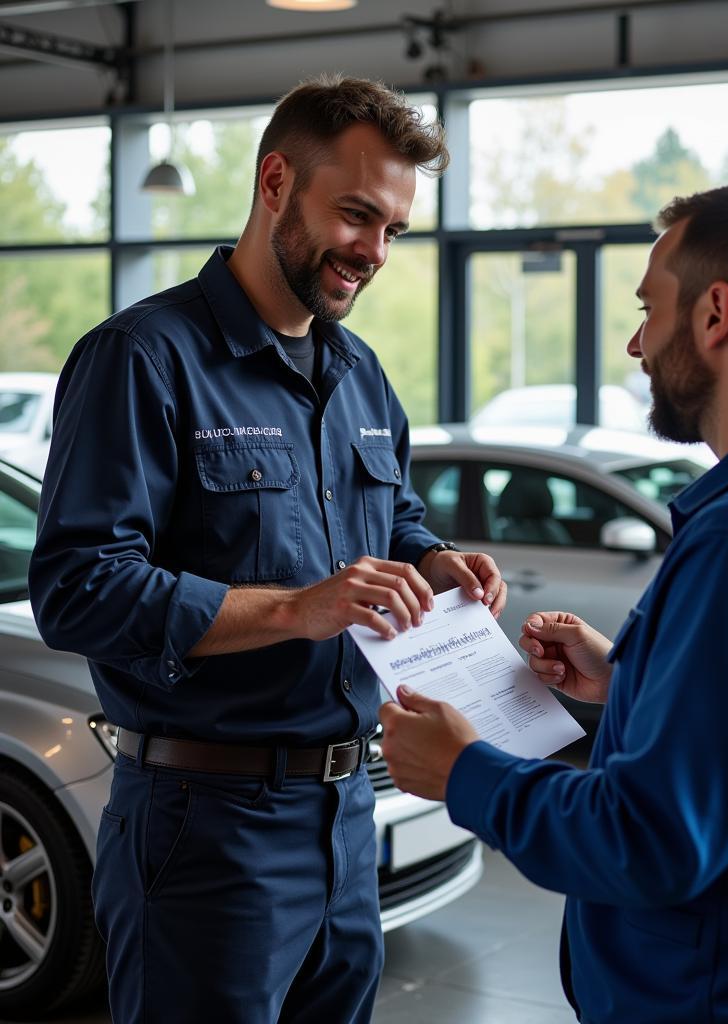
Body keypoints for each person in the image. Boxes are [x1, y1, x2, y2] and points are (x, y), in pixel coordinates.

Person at [379, 181, 728, 1024]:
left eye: (650, 308)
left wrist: (466, 772)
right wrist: (631, 678)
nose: (638, 344)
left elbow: (648, 842)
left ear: (716, 315)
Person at [28, 75, 505, 1024]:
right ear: (277, 180)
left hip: (347, 816)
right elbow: (77, 589)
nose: (372, 253)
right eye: (356, 215)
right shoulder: (142, 359)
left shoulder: (361, 374)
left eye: (393, 231)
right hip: (203, 829)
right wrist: (296, 606)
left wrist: (438, 560)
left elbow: (395, 521)